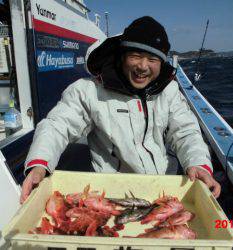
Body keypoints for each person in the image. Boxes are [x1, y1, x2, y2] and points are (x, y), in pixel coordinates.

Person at [20, 16, 221, 203]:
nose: (143, 66)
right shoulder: (88, 91)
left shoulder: (168, 90)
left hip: (163, 187)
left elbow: (185, 132)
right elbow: (58, 125)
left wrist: (197, 164)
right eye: (135, 55)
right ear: (123, 56)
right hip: (111, 192)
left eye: (152, 59)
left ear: (162, 62)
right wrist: (40, 163)